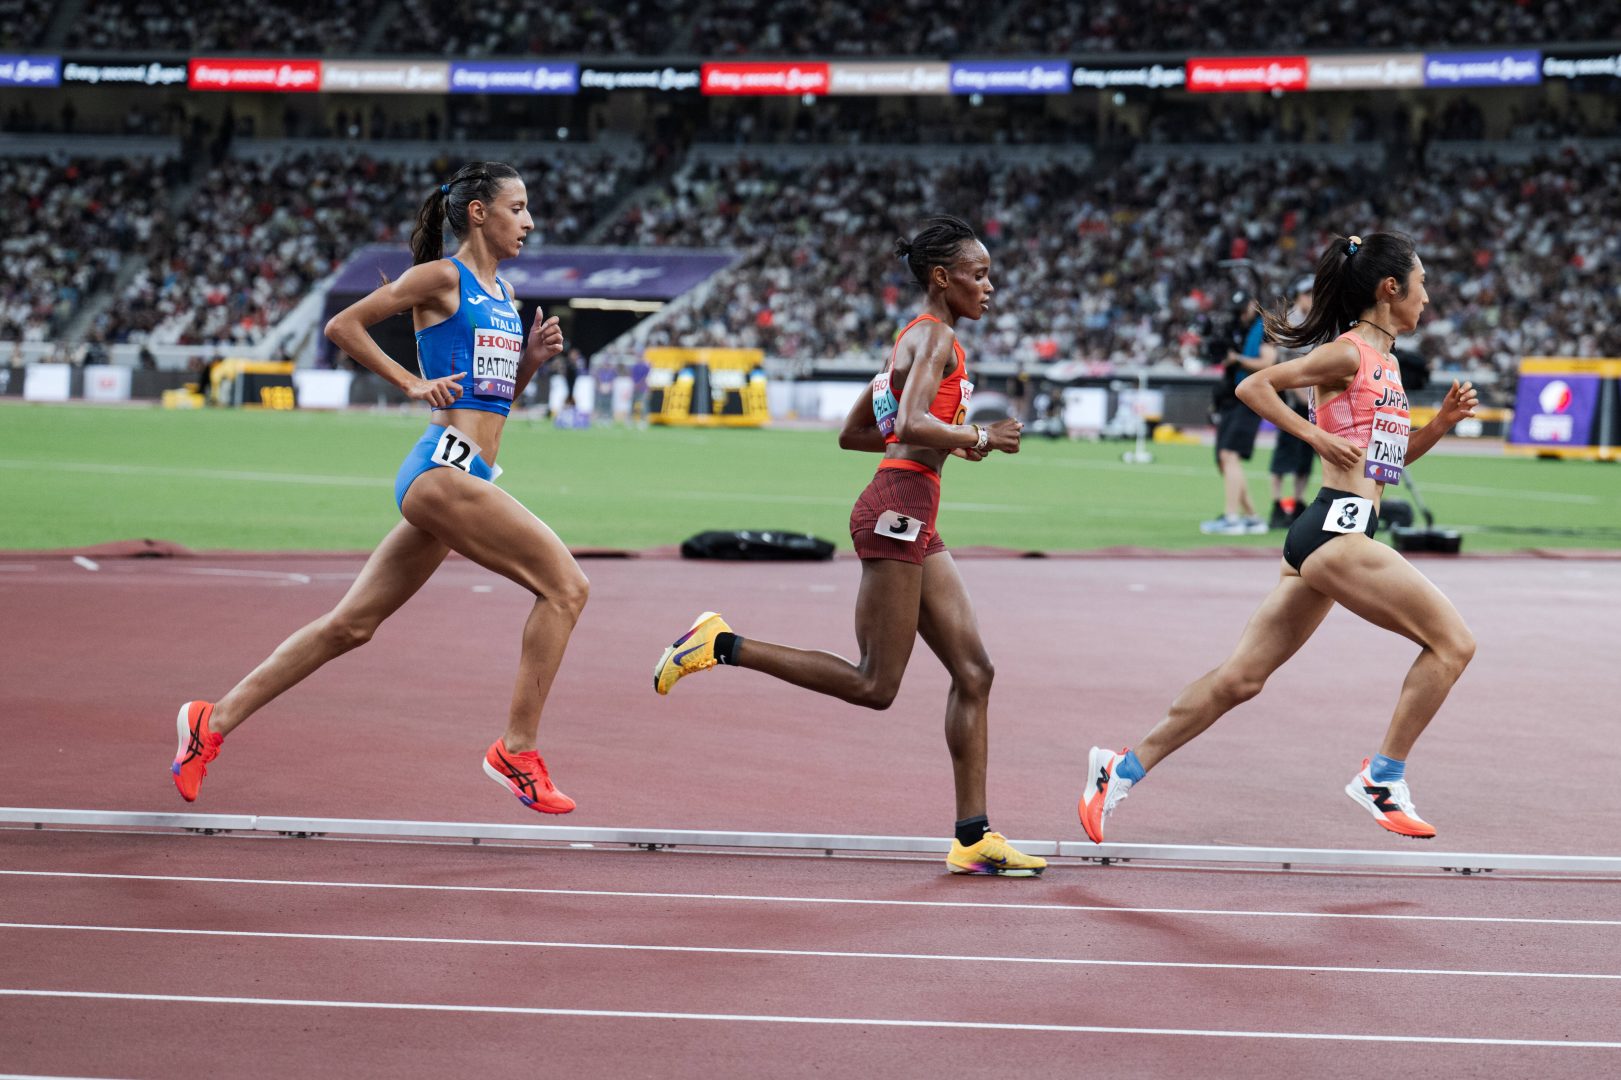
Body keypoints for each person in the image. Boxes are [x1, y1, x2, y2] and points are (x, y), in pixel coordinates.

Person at [171, 161, 586, 816]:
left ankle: (209, 722)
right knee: (566, 588)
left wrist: (529, 362)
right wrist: (410, 384)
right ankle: (516, 749)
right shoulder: (442, 277)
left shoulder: (503, 297)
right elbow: (344, 326)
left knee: (351, 626)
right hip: (439, 474)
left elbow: (491, 408)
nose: (528, 221)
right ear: (479, 213)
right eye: (518, 207)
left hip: (464, 475)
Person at [652, 216, 1044, 876]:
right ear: (941, 279)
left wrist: (938, 444)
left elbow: (858, 433)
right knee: (874, 684)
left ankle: (973, 837)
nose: (991, 286)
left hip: (912, 509)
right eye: (979, 274)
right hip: (897, 512)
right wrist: (974, 436)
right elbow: (914, 421)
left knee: (973, 673)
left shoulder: (911, 340)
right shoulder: (936, 338)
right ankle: (719, 643)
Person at [1080, 233, 1478, 843]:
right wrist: (1315, 437)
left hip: (1331, 532)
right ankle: (1382, 776)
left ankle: (1120, 768)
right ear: (1390, 288)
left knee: (1241, 679)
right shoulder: (1346, 355)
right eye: (1422, 283)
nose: (1428, 297)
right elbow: (1253, 387)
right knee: (1452, 644)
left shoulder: (1389, 366)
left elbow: (1386, 469)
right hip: (1335, 531)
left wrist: (1441, 425)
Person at [1201, 293, 1271, 535]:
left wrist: (1236, 359)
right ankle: (1252, 517)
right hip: (1232, 398)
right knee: (1224, 459)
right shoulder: (1236, 328)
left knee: (1229, 455)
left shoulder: (1264, 327)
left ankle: (1232, 519)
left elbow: (1268, 362)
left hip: (1250, 397)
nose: (1241, 313)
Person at [1267, 277, 1317, 528]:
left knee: (1305, 455)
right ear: (1298, 295)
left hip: (1311, 397)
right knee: (1284, 453)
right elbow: (1284, 361)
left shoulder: (1318, 320)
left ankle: (1298, 502)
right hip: (1292, 397)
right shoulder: (1291, 321)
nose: (1311, 298)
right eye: (1307, 293)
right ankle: (1277, 504)